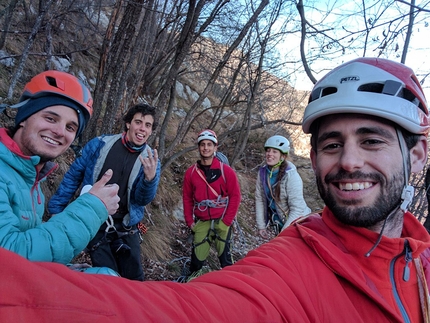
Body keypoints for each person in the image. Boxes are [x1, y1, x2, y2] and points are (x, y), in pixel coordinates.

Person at [1, 57, 430, 323]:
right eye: (332, 144)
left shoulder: (224, 171)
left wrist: (160, 187)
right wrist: (72, 214)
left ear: (416, 155)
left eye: (372, 140)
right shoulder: (292, 266)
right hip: (99, 227)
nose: (350, 161)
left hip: (140, 225)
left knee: (202, 257)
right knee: (172, 266)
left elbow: (223, 198)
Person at [0, 70, 120, 265]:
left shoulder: (31, 176)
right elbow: (10, 259)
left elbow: (28, 242)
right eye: (50, 118)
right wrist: (92, 208)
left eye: (70, 127)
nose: (59, 132)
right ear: (23, 117)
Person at [48, 103, 161, 281]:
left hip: (126, 227)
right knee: (107, 278)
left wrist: (149, 179)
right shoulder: (100, 145)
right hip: (95, 222)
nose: (142, 129)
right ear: (128, 124)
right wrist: (56, 209)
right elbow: (73, 176)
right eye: (138, 122)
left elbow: (141, 200)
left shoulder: (151, 161)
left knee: (135, 279)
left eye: (147, 125)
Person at [182, 129, 241, 275]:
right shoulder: (191, 173)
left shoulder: (226, 171)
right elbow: (187, 198)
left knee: (226, 261)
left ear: (215, 147)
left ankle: (231, 289)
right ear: (198, 147)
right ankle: (193, 289)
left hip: (222, 220)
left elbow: (235, 196)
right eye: (203, 144)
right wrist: (190, 222)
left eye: (209, 144)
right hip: (202, 221)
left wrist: (226, 222)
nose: (206, 148)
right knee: (195, 264)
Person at [255, 135, 311, 238]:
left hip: (299, 224)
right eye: (268, 150)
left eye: (275, 152)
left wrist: (283, 234)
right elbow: (260, 199)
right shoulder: (263, 173)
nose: (270, 154)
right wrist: (261, 226)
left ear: (283, 156)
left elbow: (297, 209)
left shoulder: (291, 176)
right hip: (281, 223)